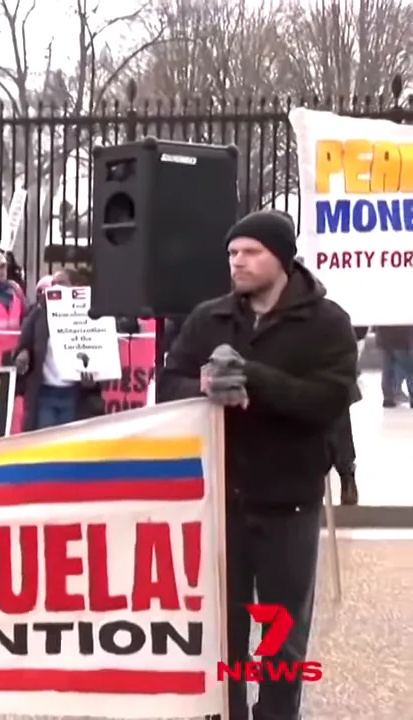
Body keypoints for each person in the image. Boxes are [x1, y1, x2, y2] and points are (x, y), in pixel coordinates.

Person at [156, 209, 356, 720]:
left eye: (250, 252)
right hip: (221, 498)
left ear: (282, 258)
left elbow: (328, 400)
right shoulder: (209, 318)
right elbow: (169, 382)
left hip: (289, 501)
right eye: (232, 253)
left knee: (282, 638)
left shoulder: (328, 322)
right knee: (224, 635)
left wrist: (255, 379)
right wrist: (200, 387)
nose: (237, 263)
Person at [13, 268, 105, 430]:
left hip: (74, 395)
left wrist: (93, 378)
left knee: (68, 447)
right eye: (53, 283)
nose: (55, 287)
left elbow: (99, 352)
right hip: (45, 393)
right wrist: (23, 354)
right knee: (45, 445)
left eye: (61, 283)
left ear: (74, 287)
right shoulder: (39, 313)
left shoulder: (89, 314)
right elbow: (24, 343)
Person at [376, 325, 413, 407]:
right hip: (403, 337)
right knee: (410, 369)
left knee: (388, 368)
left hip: (384, 336)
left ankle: (389, 397)